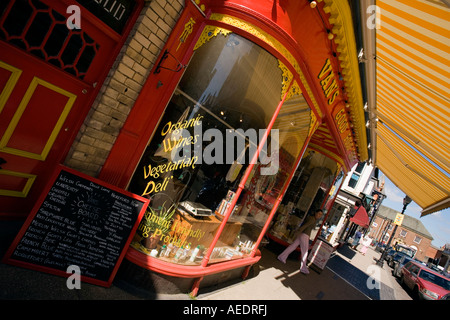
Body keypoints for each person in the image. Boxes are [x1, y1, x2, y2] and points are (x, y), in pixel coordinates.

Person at [277, 209, 323, 274]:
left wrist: (299, 231)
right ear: (315, 213)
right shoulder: (312, 219)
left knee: (293, 246)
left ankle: (282, 257)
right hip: (305, 235)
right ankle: (303, 268)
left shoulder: (312, 218)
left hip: (303, 234)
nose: (319, 215)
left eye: (321, 215)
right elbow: (305, 226)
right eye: (319, 214)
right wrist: (298, 231)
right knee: (305, 252)